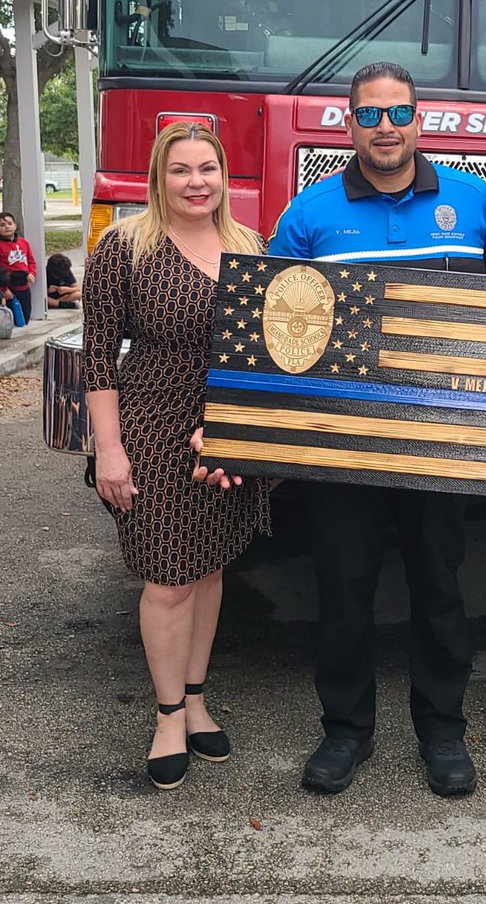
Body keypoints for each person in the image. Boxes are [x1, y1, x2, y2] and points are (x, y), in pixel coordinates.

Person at [269, 61, 486, 797]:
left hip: (440, 444)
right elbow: (276, 332)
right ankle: (345, 732)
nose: (386, 127)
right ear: (348, 125)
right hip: (342, 443)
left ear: (422, 120)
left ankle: (442, 731)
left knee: (440, 587)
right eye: (371, 115)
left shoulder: (477, 204)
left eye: (399, 113)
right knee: (342, 589)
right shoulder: (308, 214)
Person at [82, 122, 270, 790]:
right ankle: (166, 714)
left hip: (220, 432)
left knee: (210, 567)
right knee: (168, 579)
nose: (197, 182)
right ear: (159, 178)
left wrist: (230, 425)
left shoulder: (250, 245)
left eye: (208, 169)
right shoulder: (124, 247)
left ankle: (195, 699)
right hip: (151, 429)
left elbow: (259, 353)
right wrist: (109, 451)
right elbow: (99, 357)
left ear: (225, 177)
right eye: (181, 170)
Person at [0, 211, 37, 323]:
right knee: (12, 320)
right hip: (8, 287)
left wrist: (32, 273)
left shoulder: (24, 243)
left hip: (24, 286)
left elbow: (31, 261)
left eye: (10, 224)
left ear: (15, 226)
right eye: (2, 225)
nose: (7, 227)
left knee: (24, 319)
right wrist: (3, 290)